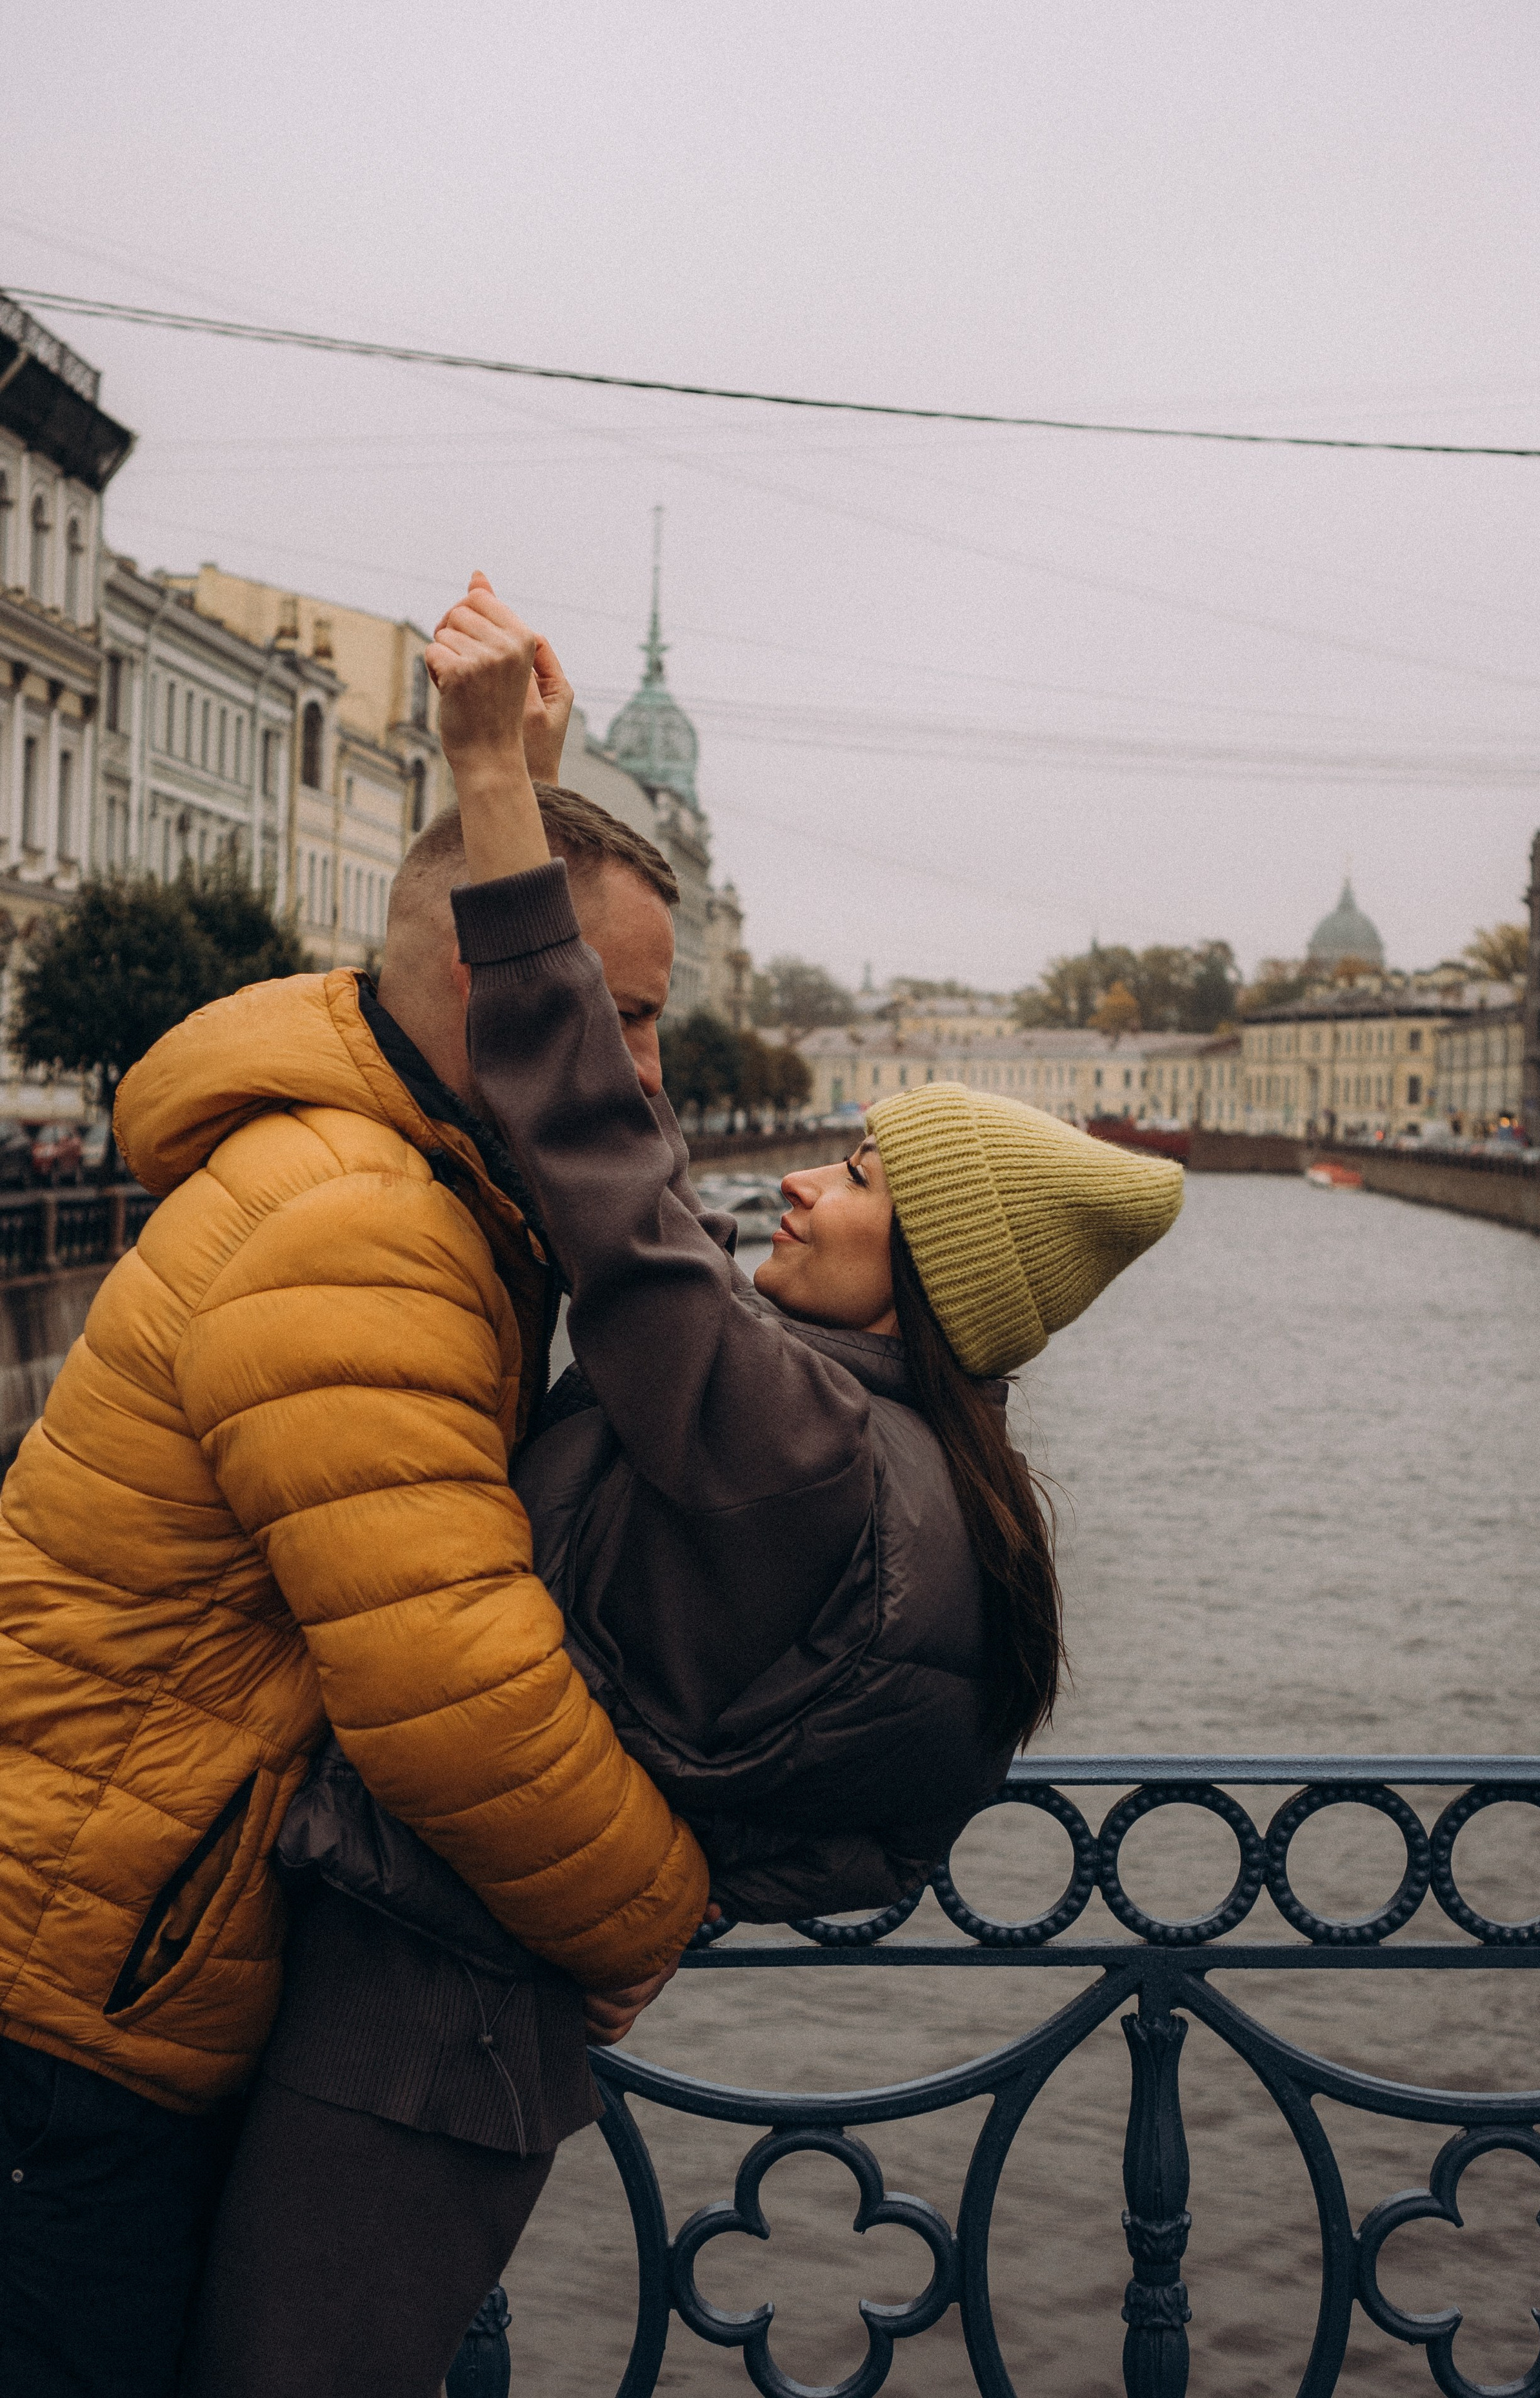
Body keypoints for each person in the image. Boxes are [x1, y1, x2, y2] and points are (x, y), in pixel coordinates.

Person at [181, 575, 1186, 2395]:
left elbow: (606, 1171)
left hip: (415, 2011)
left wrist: (501, 791)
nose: (799, 1183)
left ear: (931, 1274)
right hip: (464, 2002)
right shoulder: (886, 1452)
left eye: (859, 1180)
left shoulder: (794, 1446)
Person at [0, 607, 708, 2398]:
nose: (643, 1068)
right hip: (68, 2001)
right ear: (500, 983)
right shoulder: (366, 1229)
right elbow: (450, 1689)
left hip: (91, 1940)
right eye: (624, 1015)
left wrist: (510, 791)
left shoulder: (393, 1172)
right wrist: (654, 1910)